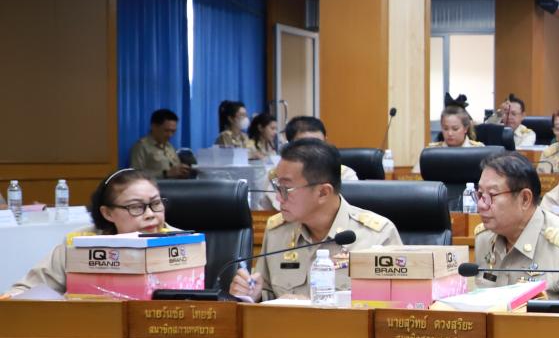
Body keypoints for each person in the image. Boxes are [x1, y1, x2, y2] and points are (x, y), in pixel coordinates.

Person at [228, 140, 401, 302]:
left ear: (323, 193)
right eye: (277, 186)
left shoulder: (378, 236)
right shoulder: (277, 232)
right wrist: (254, 294)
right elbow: (267, 294)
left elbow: (395, 307)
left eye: (286, 189)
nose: (278, 198)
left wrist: (313, 307)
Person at [472, 153, 559, 313]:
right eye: (480, 194)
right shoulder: (484, 238)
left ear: (525, 199)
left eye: (491, 195)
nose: (481, 205)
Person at [5, 169, 173, 297]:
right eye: (136, 207)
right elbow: (23, 291)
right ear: (107, 213)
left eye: (156, 203)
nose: (150, 214)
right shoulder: (79, 244)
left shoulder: (181, 242)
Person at [282, 115, 358, 181]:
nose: (312, 149)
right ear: (290, 146)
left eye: (318, 142)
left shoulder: (344, 174)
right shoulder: (280, 174)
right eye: (305, 144)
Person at [129, 108, 193, 179]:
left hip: (175, 185)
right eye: (166, 130)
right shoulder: (142, 146)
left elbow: (175, 170)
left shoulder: (169, 147)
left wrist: (182, 172)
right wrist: (165, 174)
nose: (170, 135)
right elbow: (135, 175)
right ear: (154, 127)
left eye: (173, 131)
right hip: (155, 185)